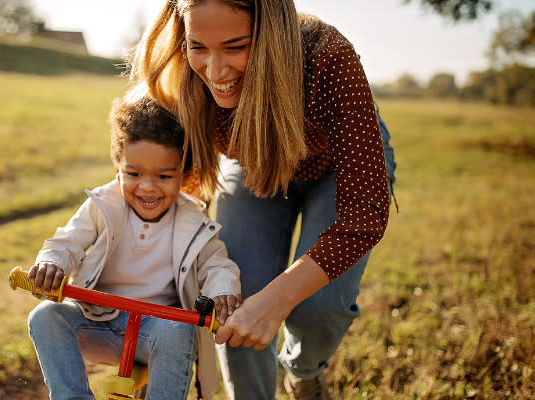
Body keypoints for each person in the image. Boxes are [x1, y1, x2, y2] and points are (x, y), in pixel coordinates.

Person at [126, 0, 397, 399]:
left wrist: (276, 300)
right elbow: (169, 185)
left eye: (236, 47)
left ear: (272, 34)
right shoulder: (179, 74)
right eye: (199, 46)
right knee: (232, 299)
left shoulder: (327, 56)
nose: (215, 73)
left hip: (335, 167)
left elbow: (364, 216)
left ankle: (304, 371)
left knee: (317, 307)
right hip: (253, 166)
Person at [26, 96, 242, 400]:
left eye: (164, 176)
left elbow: (217, 265)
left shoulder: (193, 221)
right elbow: (67, 241)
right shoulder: (103, 206)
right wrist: (53, 264)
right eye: (134, 174)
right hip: (96, 319)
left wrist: (223, 290)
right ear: (118, 167)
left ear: (185, 175)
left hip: (156, 332)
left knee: (179, 330)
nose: (148, 188)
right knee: (45, 316)